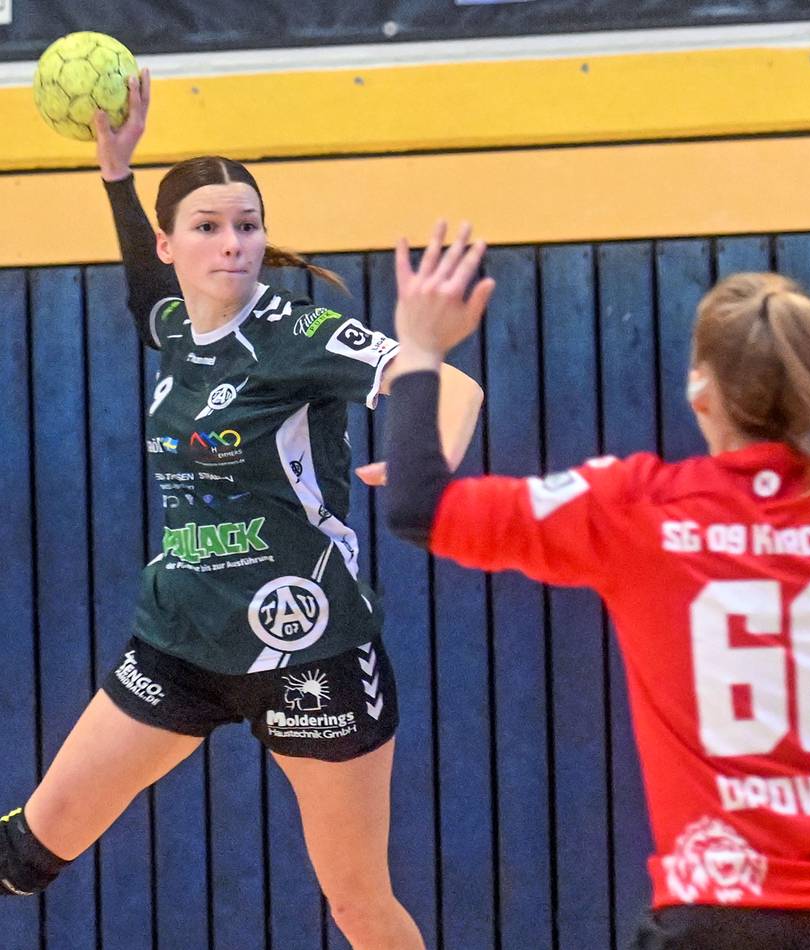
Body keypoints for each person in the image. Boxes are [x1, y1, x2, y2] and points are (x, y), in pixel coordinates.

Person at [0, 73, 484, 950]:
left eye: (249, 225)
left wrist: (423, 463)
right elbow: (146, 293)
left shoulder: (300, 335)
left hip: (313, 649)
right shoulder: (178, 326)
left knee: (358, 904)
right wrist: (117, 172)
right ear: (172, 241)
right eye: (210, 228)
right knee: (24, 851)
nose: (235, 245)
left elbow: (451, 384)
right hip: (181, 643)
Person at [383, 223, 810, 949]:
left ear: (700, 390)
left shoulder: (636, 510)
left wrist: (421, 349)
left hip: (722, 914)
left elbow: (416, 506)